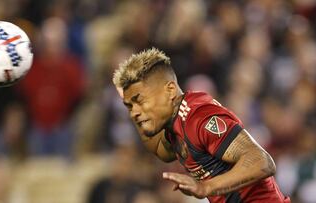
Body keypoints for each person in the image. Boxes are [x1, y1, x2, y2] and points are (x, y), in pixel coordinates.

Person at [112, 48, 290, 202]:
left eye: (140, 100)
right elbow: (162, 151)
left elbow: (262, 162)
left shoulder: (199, 117)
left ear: (170, 90)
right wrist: (135, 109)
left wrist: (206, 187)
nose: (134, 112)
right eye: (129, 106)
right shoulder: (175, 124)